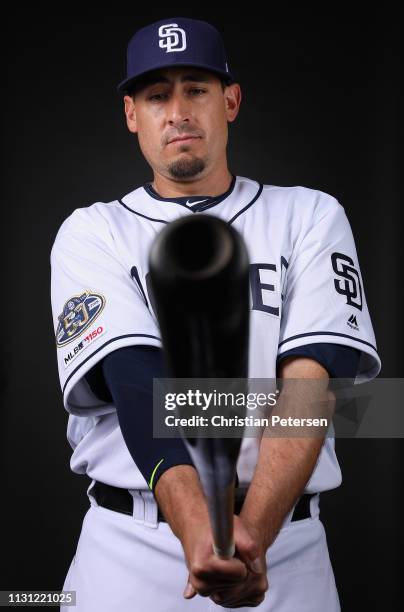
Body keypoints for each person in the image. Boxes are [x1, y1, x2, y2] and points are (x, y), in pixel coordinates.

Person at [50, 16, 381, 611]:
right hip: (129, 549)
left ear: (230, 100)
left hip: (286, 548)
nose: (178, 110)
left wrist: (249, 537)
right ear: (132, 114)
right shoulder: (93, 231)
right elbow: (134, 384)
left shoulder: (307, 215)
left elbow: (309, 385)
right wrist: (201, 529)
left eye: (196, 89)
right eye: (157, 94)